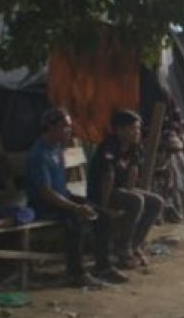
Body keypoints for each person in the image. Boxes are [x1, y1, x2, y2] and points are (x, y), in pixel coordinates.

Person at [26, 108, 112, 286]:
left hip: (61, 198)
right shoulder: (39, 154)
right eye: (64, 126)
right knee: (75, 219)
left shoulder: (56, 148)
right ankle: (76, 273)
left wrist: (79, 202)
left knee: (100, 214)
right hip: (44, 204)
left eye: (69, 127)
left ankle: (103, 266)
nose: (69, 131)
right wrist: (75, 207)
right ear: (50, 127)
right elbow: (45, 192)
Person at [87, 110, 164, 272]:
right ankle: (123, 247)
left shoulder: (134, 146)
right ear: (119, 130)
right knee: (136, 200)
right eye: (133, 129)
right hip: (101, 193)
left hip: (119, 190)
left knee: (156, 201)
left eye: (138, 128)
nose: (137, 132)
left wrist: (130, 190)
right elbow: (107, 177)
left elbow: (133, 171)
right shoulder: (109, 147)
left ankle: (135, 245)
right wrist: (105, 206)